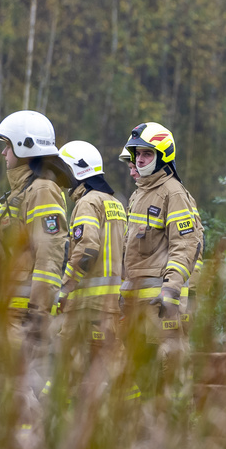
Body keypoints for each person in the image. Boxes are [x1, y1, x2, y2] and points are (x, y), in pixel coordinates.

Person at [0, 110, 71, 395]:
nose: (3, 153)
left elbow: (50, 250)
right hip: (3, 314)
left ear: (25, 147)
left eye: (7, 146)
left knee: (19, 393)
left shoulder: (42, 191)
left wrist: (39, 308)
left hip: (20, 316)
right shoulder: (18, 195)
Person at [120, 122, 201, 396]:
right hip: (137, 301)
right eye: (137, 154)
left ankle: (177, 422)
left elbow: (185, 245)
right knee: (141, 372)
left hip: (162, 302)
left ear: (163, 156)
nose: (140, 160)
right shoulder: (138, 194)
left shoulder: (173, 192)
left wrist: (171, 290)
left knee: (168, 369)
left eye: (147, 154)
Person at [56, 141, 126, 380]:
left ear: (76, 171)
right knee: (112, 362)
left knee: (67, 364)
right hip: (109, 302)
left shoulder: (87, 203)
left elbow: (87, 248)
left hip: (86, 305)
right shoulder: (115, 204)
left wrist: (65, 288)